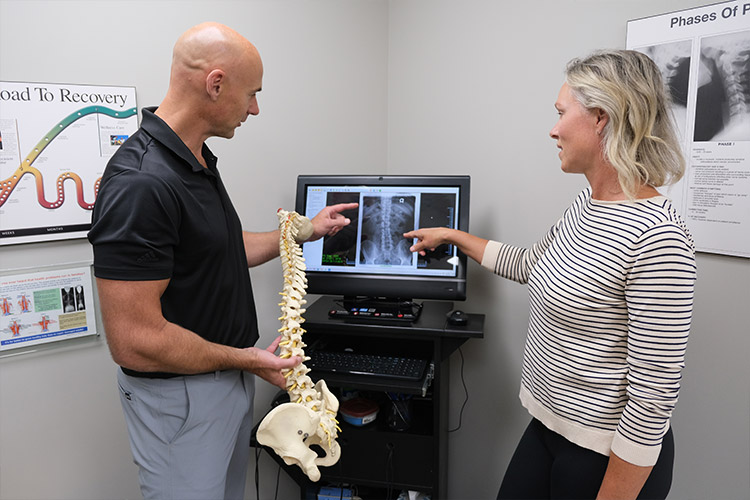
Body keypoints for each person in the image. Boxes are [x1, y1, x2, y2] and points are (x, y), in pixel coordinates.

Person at [405, 50, 696, 500]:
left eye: (561, 114)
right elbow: (533, 265)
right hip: (549, 427)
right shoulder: (587, 205)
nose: (553, 129)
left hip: (604, 456)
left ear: (601, 118)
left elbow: (652, 396)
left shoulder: (658, 237)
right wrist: (454, 236)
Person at [88, 22, 357, 500]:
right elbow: (134, 341)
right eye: (251, 93)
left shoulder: (195, 160)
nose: (255, 108)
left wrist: (305, 230)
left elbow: (222, 250)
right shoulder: (142, 182)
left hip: (224, 381)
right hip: (183, 398)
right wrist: (247, 359)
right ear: (215, 84)